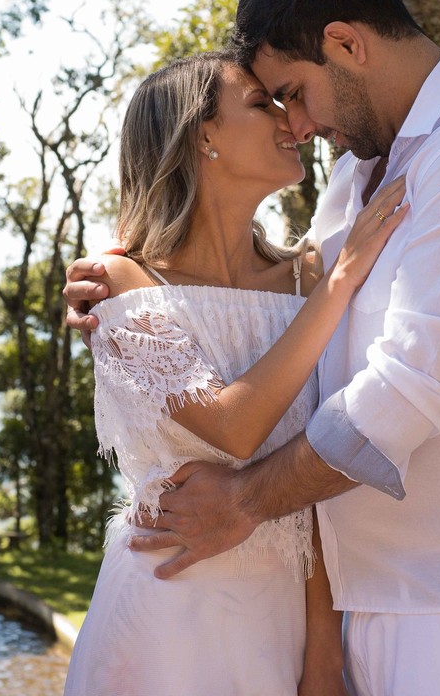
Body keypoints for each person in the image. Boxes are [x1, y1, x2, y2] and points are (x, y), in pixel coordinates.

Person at [65, 0, 440, 695]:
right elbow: (298, 334)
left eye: (291, 91)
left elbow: (402, 391)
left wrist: (247, 498)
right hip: (361, 610)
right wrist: (125, 288)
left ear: (347, 45)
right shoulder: (356, 177)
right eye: (270, 102)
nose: (295, 123)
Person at [62, 50, 407, 696]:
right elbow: (234, 428)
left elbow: (309, 486)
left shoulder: (308, 275)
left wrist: (324, 656)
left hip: (281, 628)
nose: (287, 120)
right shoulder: (121, 282)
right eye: (260, 103)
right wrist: (338, 285)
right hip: (161, 622)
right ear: (203, 136)